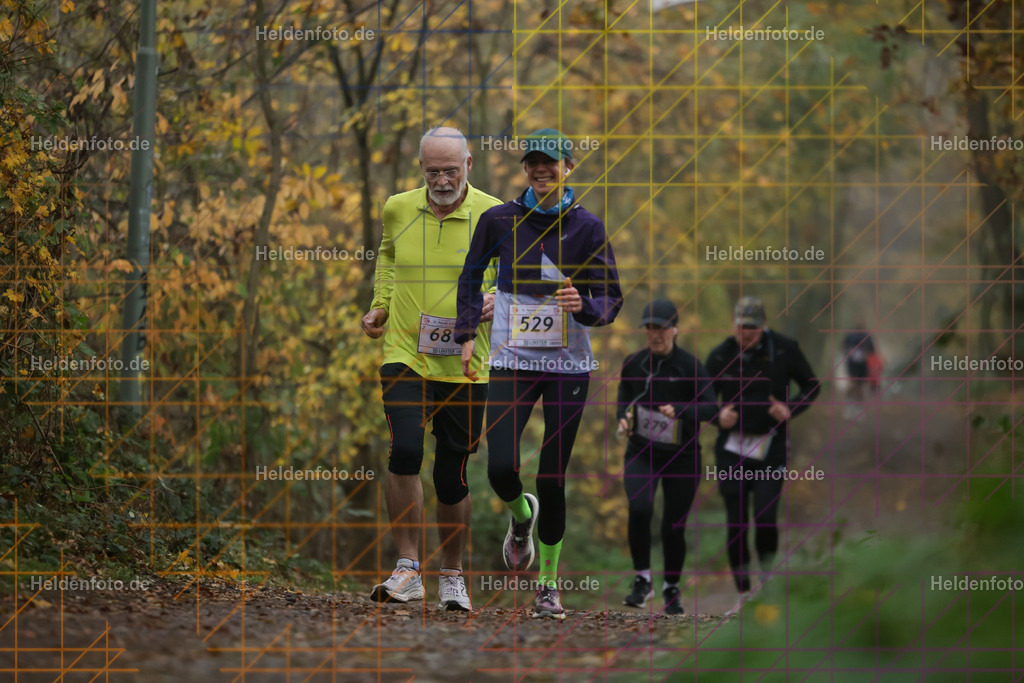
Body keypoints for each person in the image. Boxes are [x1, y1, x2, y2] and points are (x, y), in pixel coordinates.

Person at [455, 128, 622, 619]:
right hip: (511, 361)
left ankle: (548, 587)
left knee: (552, 476)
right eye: (533, 163)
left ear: (569, 166)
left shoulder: (588, 228)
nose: (541, 170)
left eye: (550, 162)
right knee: (501, 467)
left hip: (567, 367)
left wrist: (584, 304)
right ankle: (521, 519)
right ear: (525, 169)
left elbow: (611, 297)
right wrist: (467, 332)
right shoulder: (499, 219)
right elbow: (470, 275)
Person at [361, 126, 501, 612]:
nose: (442, 179)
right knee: (403, 449)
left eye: (451, 169)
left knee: (452, 476)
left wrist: (496, 300)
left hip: (466, 363)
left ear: (469, 164)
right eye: (432, 170)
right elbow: (389, 257)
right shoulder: (398, 207)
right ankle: (406, 570)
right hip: (405, 352)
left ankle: (454, 576)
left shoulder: (495, 213)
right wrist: (380, 305)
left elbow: (521, 278)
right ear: (421, 169)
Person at [704, 296, 820, 616]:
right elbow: (700, 397)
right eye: (742, 328)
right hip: (732, 450)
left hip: (771, 447)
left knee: (765, 517)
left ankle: (766, 583)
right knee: (737, 520)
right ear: (734, 325)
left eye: (753, 329)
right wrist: (717, 415)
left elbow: (812, 385)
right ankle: (743, 592)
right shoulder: (721, 355)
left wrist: (790, 408)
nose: (747, 334)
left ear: (763, 326)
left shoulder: (784, 349)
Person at [617, 299, 718, 615]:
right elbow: (624, 394)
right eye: (649, 328)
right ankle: (642, 580)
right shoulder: (634, 363)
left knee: (674, 525)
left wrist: (682, 411)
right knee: (640, 507)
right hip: (641, 452)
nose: (655, 335)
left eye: (661, 328)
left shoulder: (690, 366)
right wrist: (623, 417)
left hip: (682, 457)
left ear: (675, 329)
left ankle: (671, 588)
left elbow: (712, 408)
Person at [842, 321, 879, 417]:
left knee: (861, 386)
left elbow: (872, 350)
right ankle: (849, 406)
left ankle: (859, 409)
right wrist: (851, 353)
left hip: (863, 365)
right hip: (852, 364)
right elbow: (844, 347)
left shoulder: (867, 336)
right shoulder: (850, 335)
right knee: (853, 384)